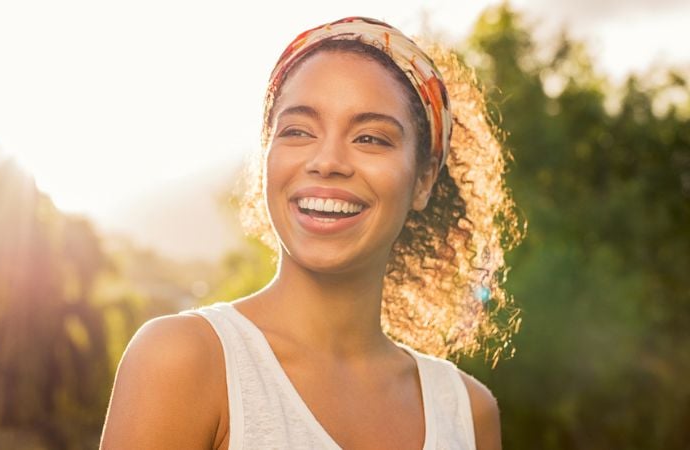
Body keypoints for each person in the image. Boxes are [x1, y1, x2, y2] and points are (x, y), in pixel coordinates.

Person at [100, 16, 521, 450]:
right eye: (298, 131)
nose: (327, 161)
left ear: (423, 181)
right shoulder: (183, 360)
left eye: (371, 138)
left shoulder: (468, 414)